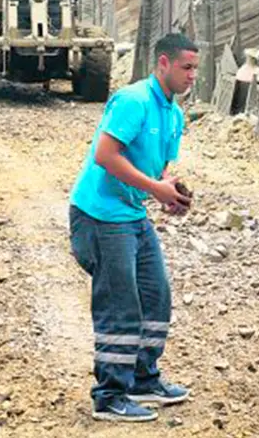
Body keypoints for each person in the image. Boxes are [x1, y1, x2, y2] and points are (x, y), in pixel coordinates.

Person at [69, 33, 198, 423]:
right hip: (100, 216)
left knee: (156, 296)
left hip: (131, 215)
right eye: (186, 67)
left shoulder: (173, 114)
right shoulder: (134, 100)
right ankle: (109, 395)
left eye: (195, 68)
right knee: (120, 304)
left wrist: (169, 192)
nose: (192, 75)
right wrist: (155, 189)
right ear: (163, 63)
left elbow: (158, 169)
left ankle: (143, 378)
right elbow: (105, 155)